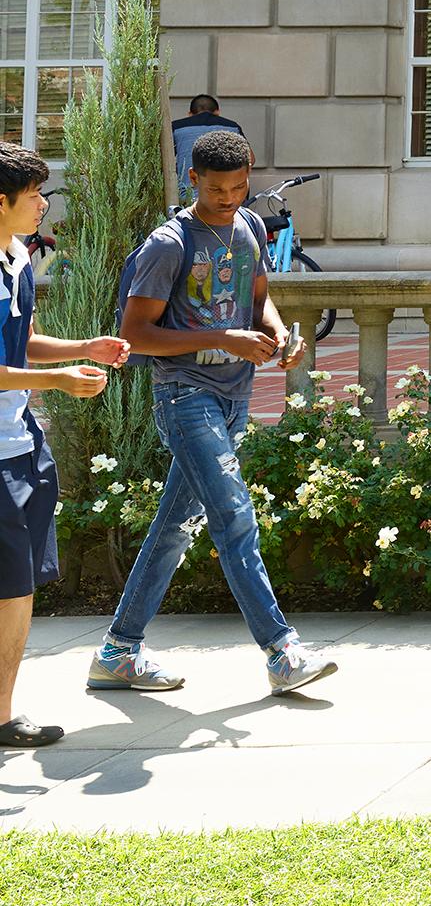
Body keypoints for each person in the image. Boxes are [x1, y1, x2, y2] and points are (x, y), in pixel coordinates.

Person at [88, 129, 332, 697]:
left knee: (175, 526)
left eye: (240, 187)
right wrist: (224, 336)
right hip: (184, 395)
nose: (229, 198)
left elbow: (257, 297)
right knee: (233, 518)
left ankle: (118, 652)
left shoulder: (247, 226)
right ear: (192, 179)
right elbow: (136, 335)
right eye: (217, 188)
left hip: (232, 395)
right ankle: (281, 652)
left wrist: (276, 334)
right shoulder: (168, 245)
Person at [0, 144, 126, 748]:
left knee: (16, 588)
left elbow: (18, 347)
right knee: (10, 588)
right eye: (33, 196)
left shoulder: (19, 257)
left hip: (20, 444)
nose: (43, 205)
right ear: (1, 202)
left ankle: (2, 716)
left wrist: (83, 348)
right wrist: (58, 382)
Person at [168, 95, 242, 208]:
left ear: (190, 114)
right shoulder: (232, 127)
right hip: (226, 198)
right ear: (217, 112)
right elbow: (250, 158)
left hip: (186, 197)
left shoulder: (176, 127)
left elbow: (163, 161)